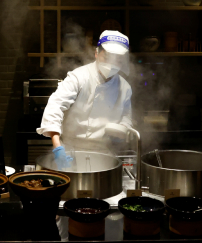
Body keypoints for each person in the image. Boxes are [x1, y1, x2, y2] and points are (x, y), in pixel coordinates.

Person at [37, 30, 133, 169]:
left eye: (117, 59)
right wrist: (58, 148)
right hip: (70, 150)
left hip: (103, 153)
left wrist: (122, 130)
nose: (111, 63)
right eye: (107, 57)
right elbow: (55, 106)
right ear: (96, 53)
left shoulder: (124, 87)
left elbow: (126, 118)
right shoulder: (79, 77)